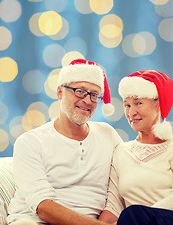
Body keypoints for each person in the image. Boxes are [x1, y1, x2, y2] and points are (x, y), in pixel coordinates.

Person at [7, 59, 123, 225]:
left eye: (94, 95)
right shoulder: (30, 142)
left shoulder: (108, 135)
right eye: (80, 91)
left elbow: (118, 190)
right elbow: (43, 207)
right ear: (60, 92)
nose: (88, 100)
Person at [99, 70, 173, 225]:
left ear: (158, 104)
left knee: (134, 213)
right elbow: (113, 208)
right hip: (136, 220)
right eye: (127, 105)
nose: (131, 112)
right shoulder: (121, 152)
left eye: (138, 103)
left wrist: (136, 219)